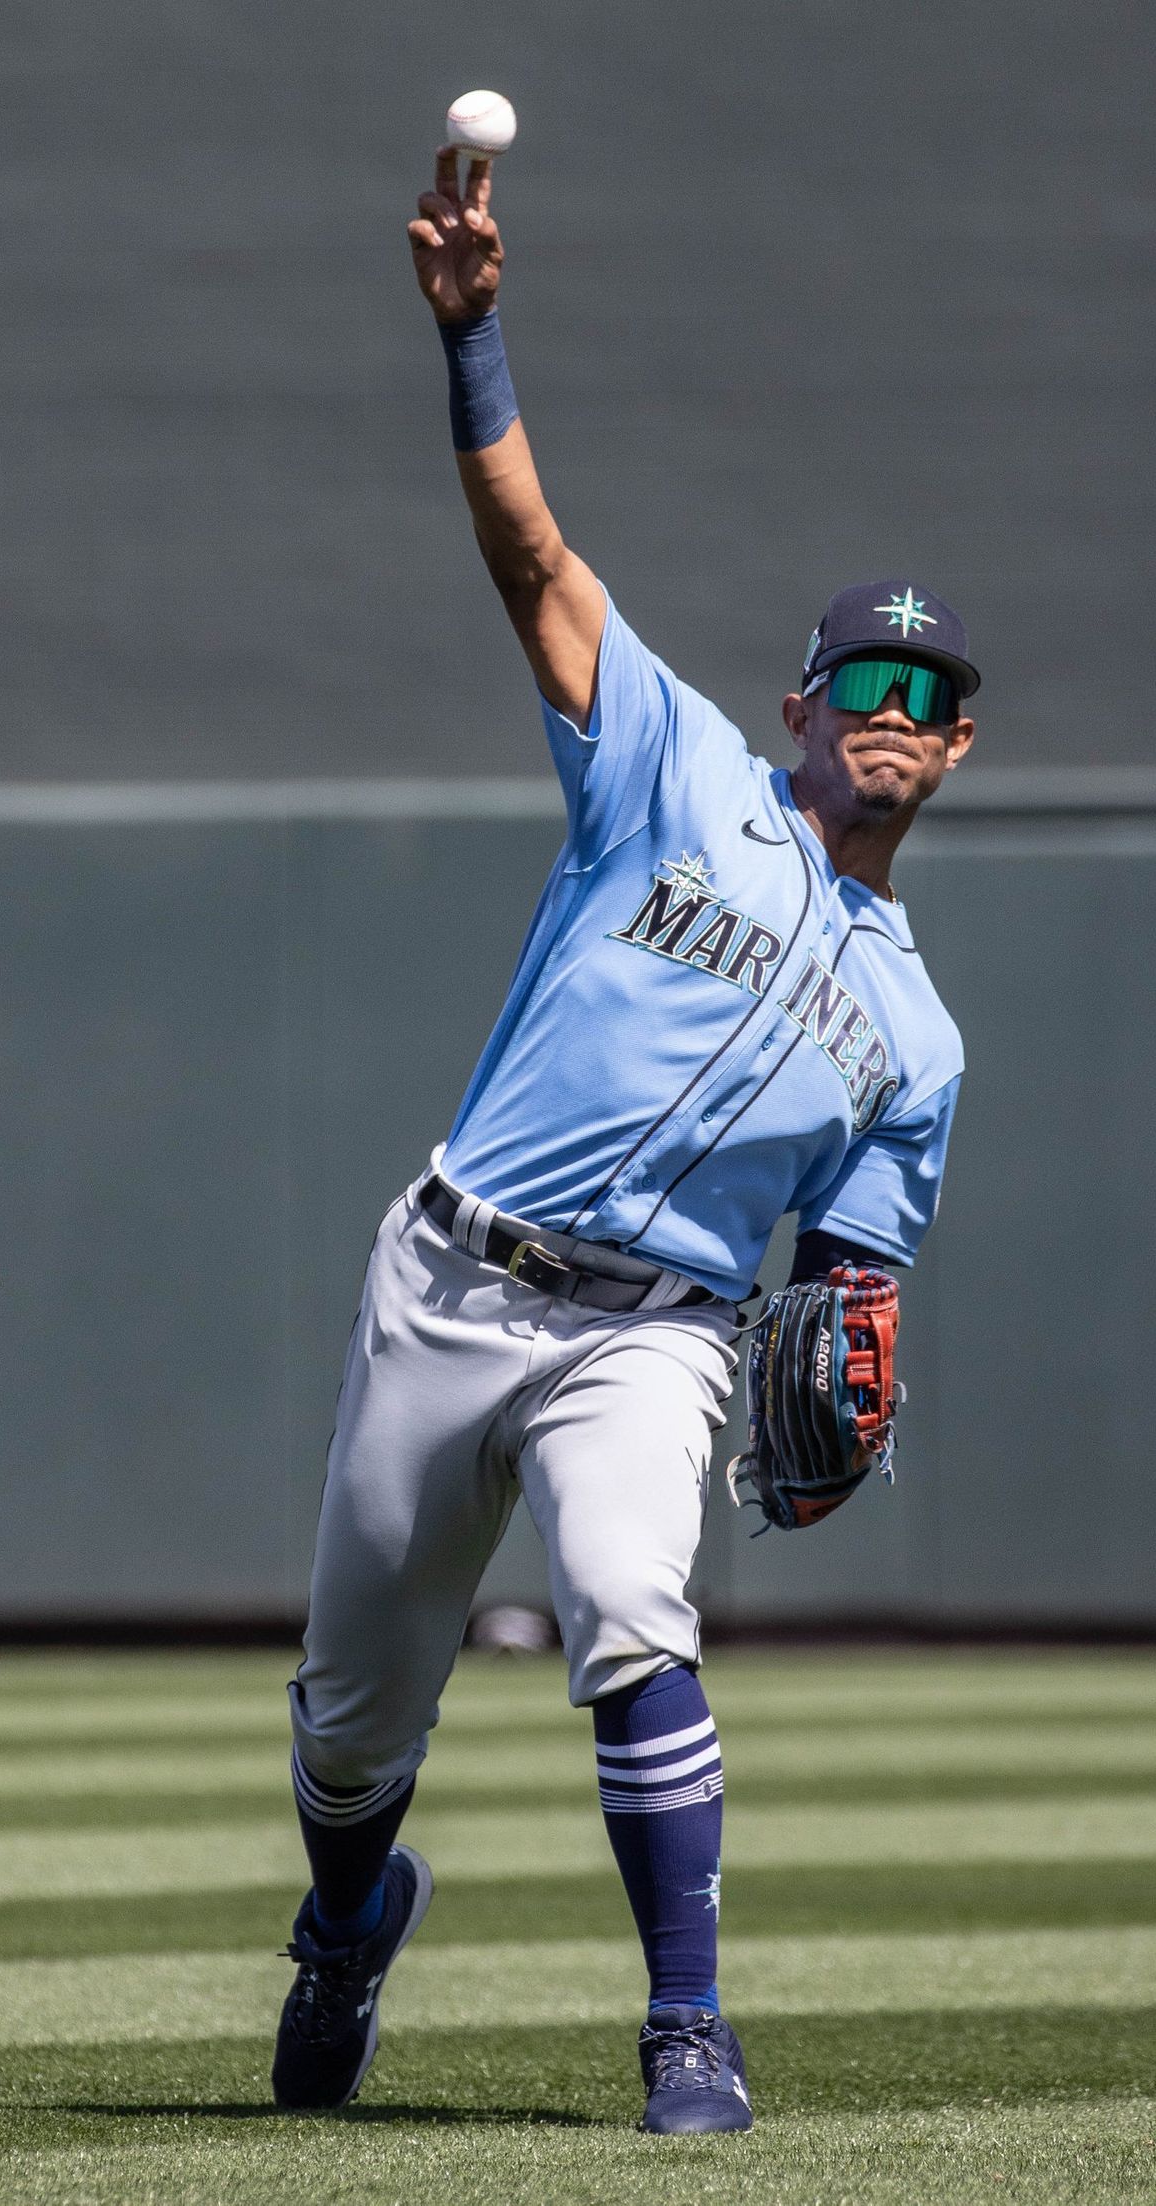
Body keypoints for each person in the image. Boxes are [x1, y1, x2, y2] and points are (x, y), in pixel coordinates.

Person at [271, 145, 977, 2135]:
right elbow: (530, 550)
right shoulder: (672, 760)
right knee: (350, 1723)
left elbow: (851, 1274)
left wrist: (850, 1338)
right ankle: (345, 1926)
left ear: (959, 743)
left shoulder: (917, 1029)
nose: (897, 710)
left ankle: (688, 2026)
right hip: (452, 1269)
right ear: (806, 701)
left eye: (935, 693)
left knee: (630, 1605)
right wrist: (474, 331)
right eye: (870, 678)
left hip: (651, 1334)